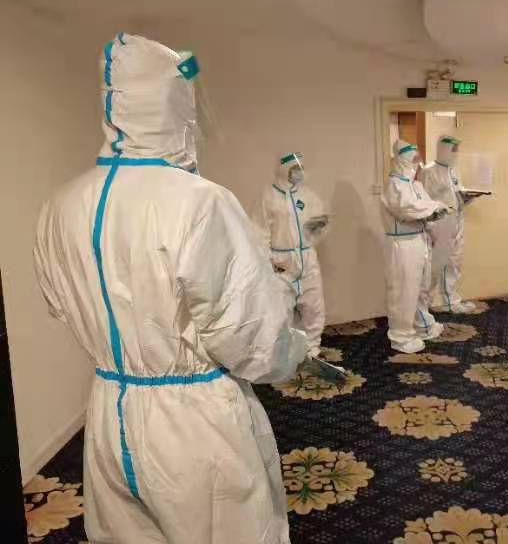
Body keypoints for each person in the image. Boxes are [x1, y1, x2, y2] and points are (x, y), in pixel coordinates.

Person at [34, 34, 306, 544]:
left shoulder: (60, 205)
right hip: (195, 424)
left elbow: (62, 305)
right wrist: (293, 341)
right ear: (176, 106)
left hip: (108, 414)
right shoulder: (200, 203)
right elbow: (253, 341)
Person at [253, 153, 329, 358]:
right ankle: (285, 352)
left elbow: (320, 220)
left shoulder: (308, 195)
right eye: (294, 168)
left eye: (300, 168)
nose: (298, 172)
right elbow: (260, 230)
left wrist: (319, 226)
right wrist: (267, 259)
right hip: (282, 262)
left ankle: (312, 347)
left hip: (307, 258)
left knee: (314, 306)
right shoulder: (268, 196)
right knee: (281, 309)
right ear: (283, 170)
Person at [382, 140, 448, 353]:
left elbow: (425, 210)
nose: (416, 163)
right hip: (402, 243)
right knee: (404, 291)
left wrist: (434, 215)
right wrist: (434, 207)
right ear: (402, 159)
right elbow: (407, 210)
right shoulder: (394, 185)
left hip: (420, 239)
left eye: (417, 159)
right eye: (412, 159)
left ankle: (423, 325)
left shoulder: (416, 186)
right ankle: (401, 336)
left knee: (422, 288)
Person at [419, 135, 485, 314]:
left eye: (457, 149)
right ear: (443, 149)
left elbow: (456, 196)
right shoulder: (428, 171)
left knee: (454, 262)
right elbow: (423, 200)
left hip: (457, 221)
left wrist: (468, 197)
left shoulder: (453, 171)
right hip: (439, 224)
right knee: (435, 266)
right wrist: (430, 227)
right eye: (453, 149)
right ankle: (423, 305)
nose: (456, 153)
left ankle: (451, 301)